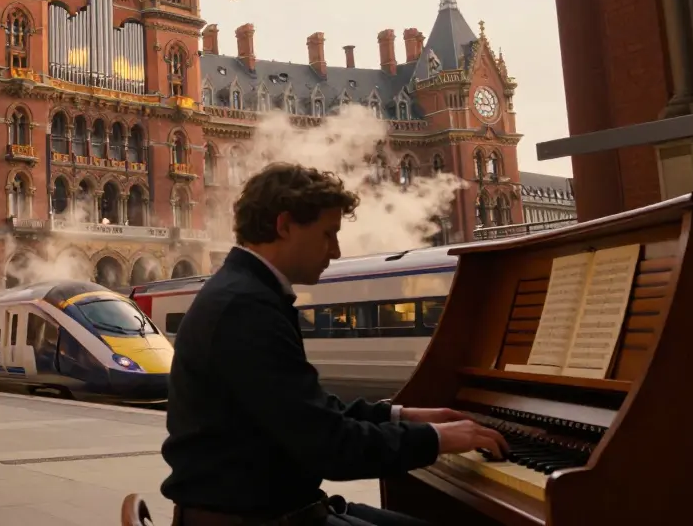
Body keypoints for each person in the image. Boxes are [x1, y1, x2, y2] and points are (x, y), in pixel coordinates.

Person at [160, 164, 509, 526]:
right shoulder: (245, 307)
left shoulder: (245, 292)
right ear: (284, 225)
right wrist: (435, 440)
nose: (337, 250)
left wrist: (401, 415)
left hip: (268, 509)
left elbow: (308, 410)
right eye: (328, 234)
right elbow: (331, 448)